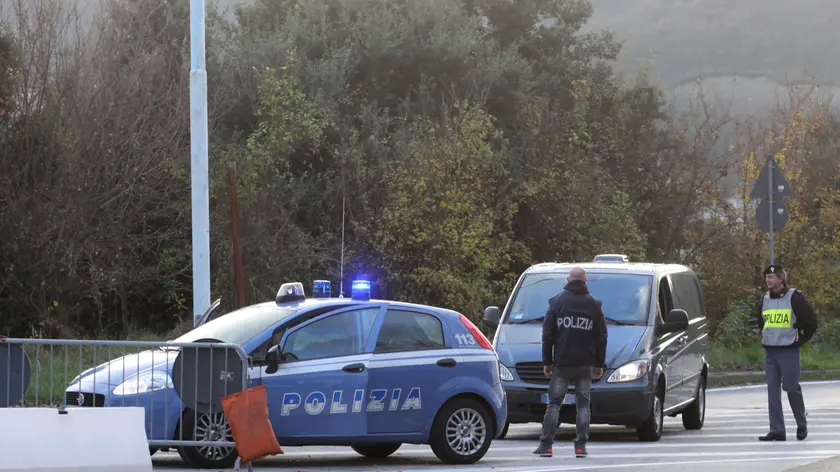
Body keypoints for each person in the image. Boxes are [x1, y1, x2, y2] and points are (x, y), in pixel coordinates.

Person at [531, 266, 608, 459]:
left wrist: (547, 361)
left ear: (568, 280)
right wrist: (599, 364)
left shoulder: (557, 302)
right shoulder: (595, 305)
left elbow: (547, 335)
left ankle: (546, 445)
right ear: (585, 280)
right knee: (583, 405)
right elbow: (602, 337)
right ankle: (581, 446)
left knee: (554, 403)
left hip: (562, 363)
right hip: (585, 363)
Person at [755, 264, 818, 442]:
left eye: (772, 276)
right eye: (766, 276)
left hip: (788, 350)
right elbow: (762, 322)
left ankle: (801, 422)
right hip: (770, 351)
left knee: (791, 388)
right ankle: (777, 430)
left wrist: (801, 340)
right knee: (772, 391)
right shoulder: (764, 299)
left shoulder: (795, 298)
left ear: (781, 279)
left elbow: (811, 321)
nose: (768, 279)